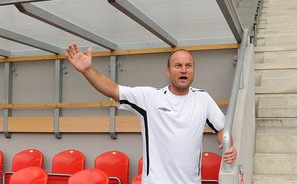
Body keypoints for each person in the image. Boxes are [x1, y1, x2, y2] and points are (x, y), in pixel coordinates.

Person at [65, 43, 237, 183]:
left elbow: (222, 130)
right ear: (168, 71)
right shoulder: (150, 98)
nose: (184, 70)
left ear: (193, 70)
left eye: (188, 66)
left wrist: (229, 147)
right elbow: (112, 89)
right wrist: (87, 70)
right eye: (178, 66)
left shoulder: (203, 99)